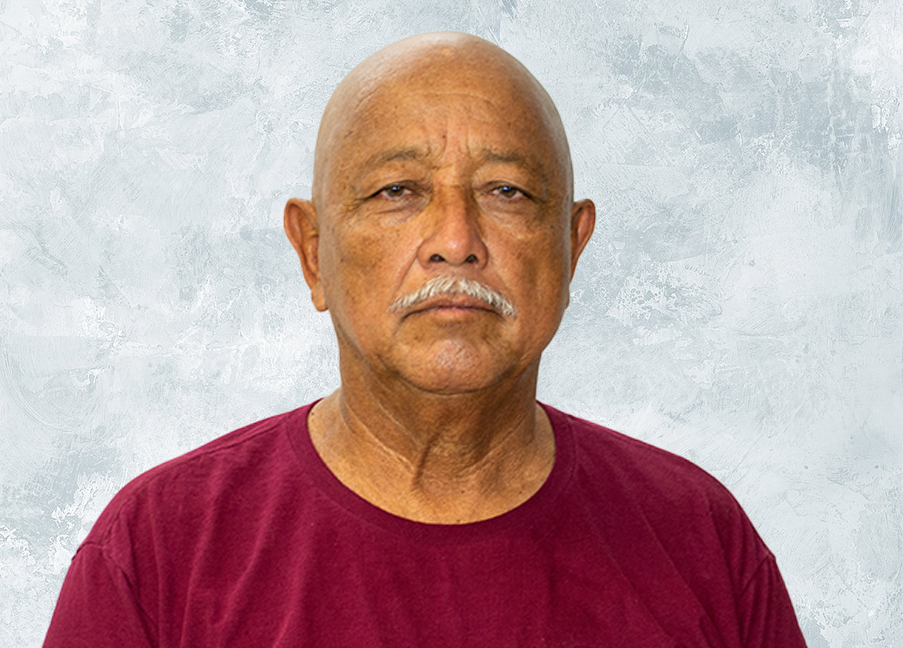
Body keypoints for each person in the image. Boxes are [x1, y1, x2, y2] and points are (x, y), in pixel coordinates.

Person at [44, 32, 807, 647]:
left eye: (506, 191)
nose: (455, 240)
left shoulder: (700, 541)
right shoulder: (160, 552)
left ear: (572, 248)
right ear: (313, 251)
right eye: (397, 191)